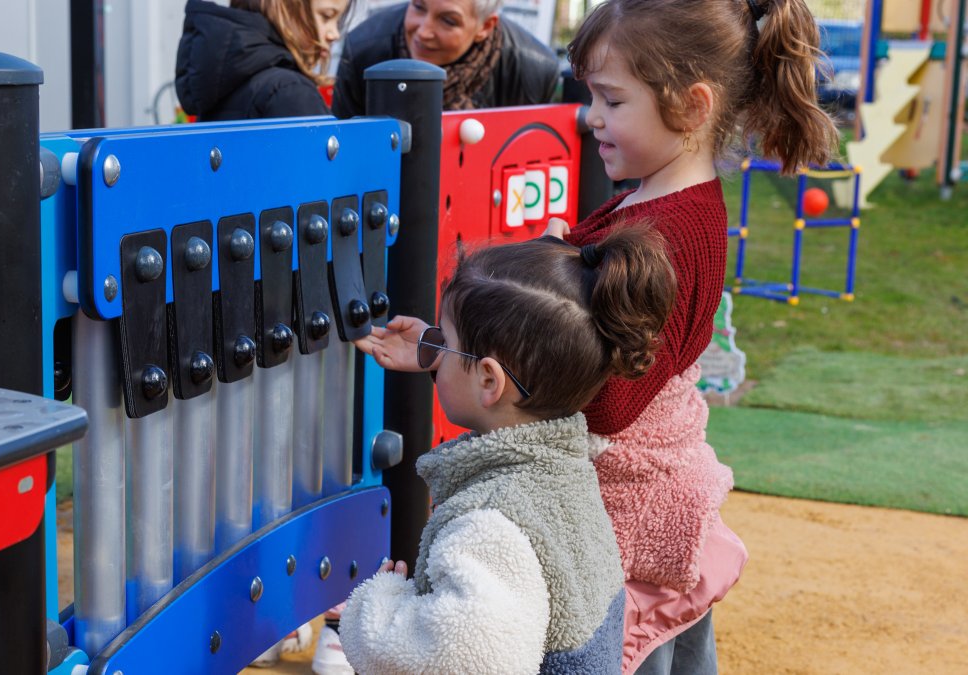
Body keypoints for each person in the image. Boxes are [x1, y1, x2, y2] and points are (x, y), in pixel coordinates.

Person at [356, 0, 840, 672]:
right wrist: (443, 347)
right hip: (632, 506)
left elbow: (611, 403)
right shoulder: (657, 203)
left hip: (629, 517)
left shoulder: (668, 235)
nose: (591, 118)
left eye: (612, 100)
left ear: (692, 106)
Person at [340, 228, 676, 673]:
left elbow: (458, 658)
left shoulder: (491, 524)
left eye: (447, 342)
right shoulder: (562, 475)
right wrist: (439, 354)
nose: (438, 350)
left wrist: (380, 607)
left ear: (489, 380)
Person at [331, 0, 558, 117]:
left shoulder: (532, 70)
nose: (423, 32)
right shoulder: (363, 49)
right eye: (418, 7)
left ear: (485, 27)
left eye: (448, 21)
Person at [176, 0, 352, 121]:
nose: (334, 34)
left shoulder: (225, 79)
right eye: (326, 16)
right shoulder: (289, 91)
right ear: (284, 7)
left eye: (338, 21)